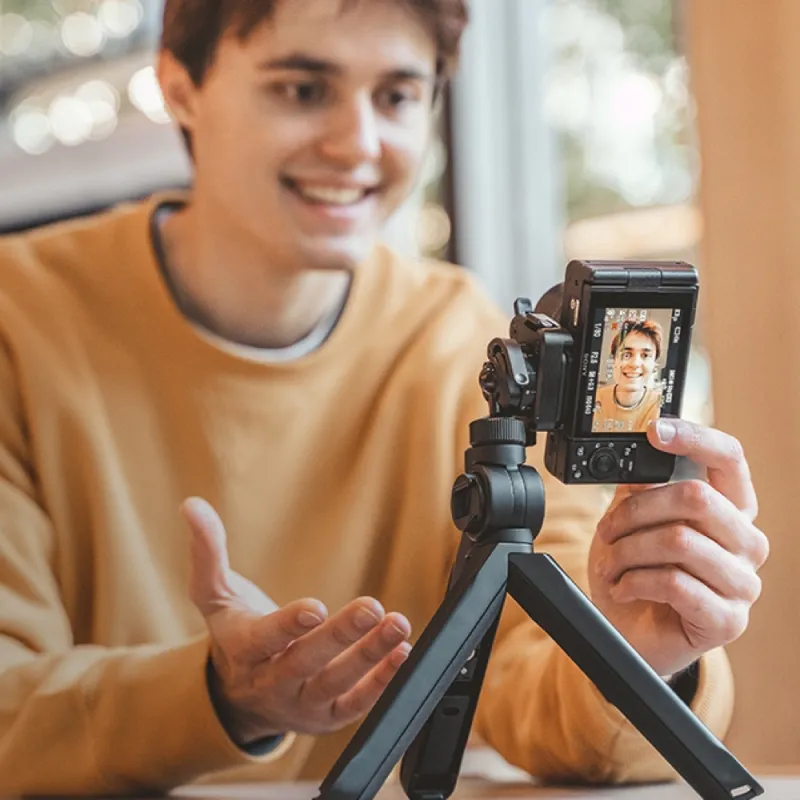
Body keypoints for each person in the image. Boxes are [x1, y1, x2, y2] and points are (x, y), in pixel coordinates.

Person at [0, 0, 768, 794]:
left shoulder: (455, 337)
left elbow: (536, 672)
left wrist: (636, 650)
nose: (357, 145)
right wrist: (218, 698)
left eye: (397, 96)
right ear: (179, 86)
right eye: (302, 89)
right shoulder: (18, 322)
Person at [593, 320, 664, 433]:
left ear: (654, 364)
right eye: (627, 355)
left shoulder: (660, 406)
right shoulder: (594, 399)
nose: (635, 364)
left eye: (645, 355)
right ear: (613, 360)